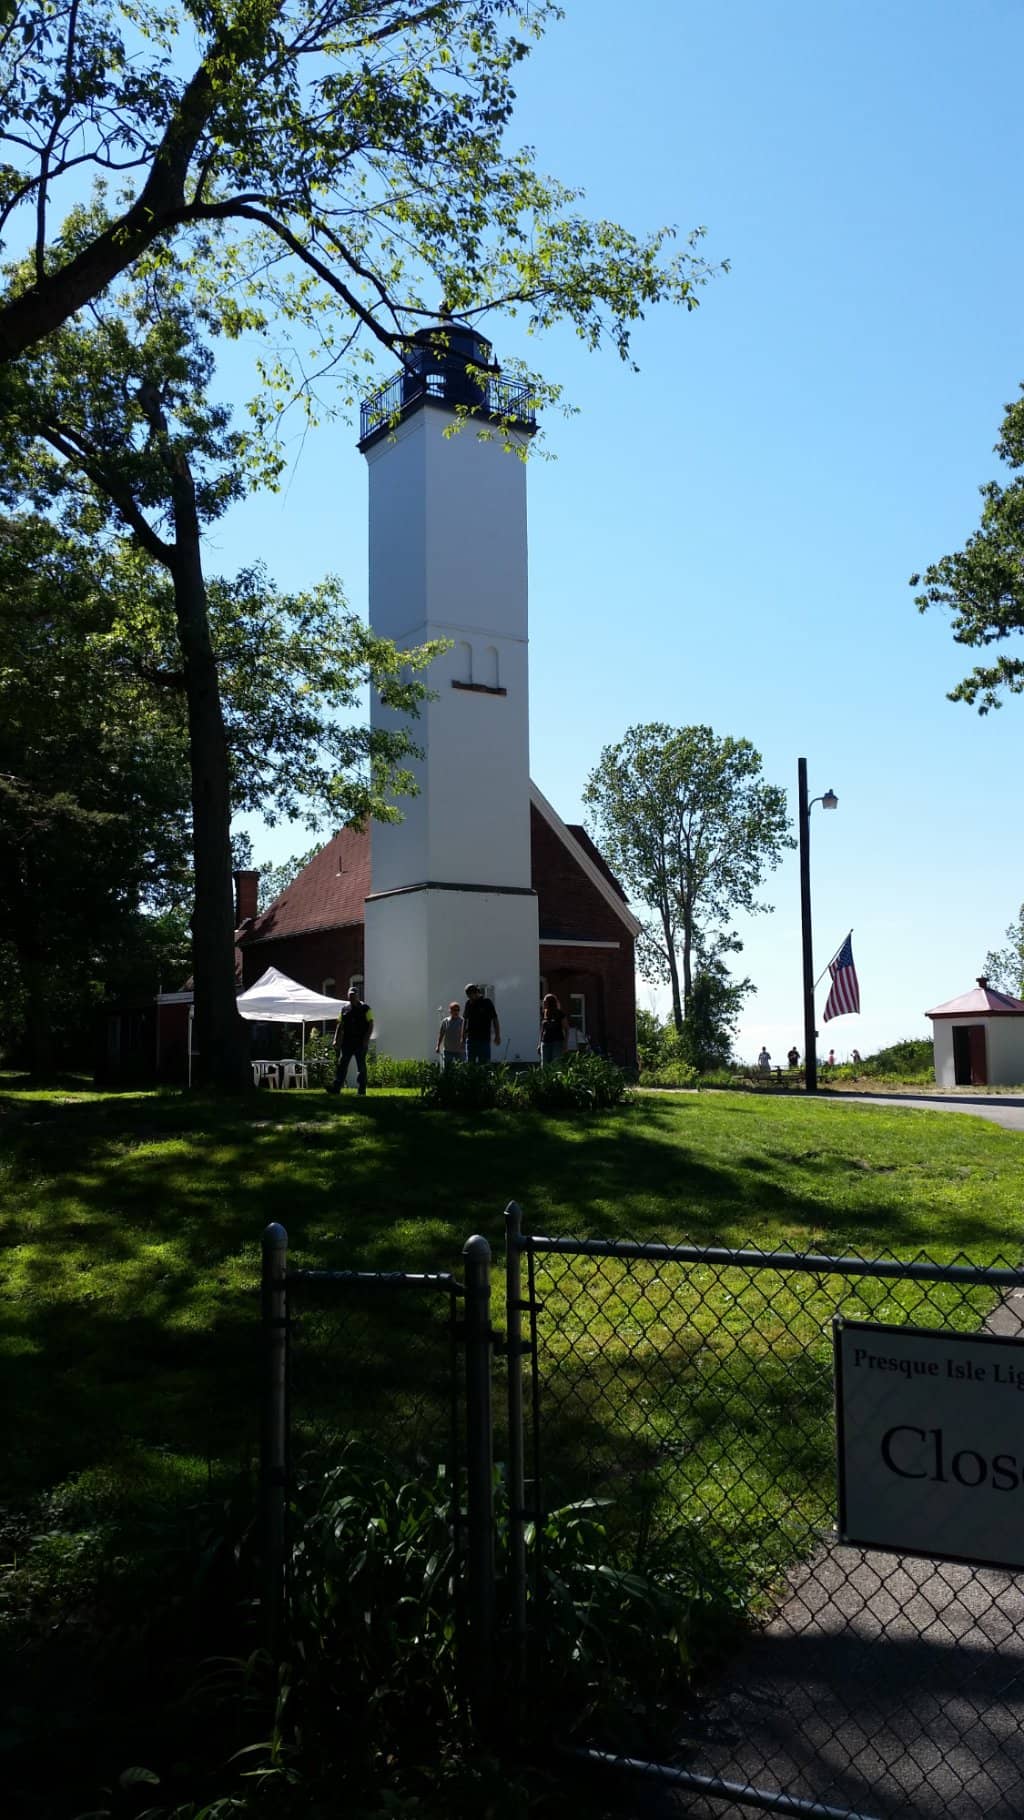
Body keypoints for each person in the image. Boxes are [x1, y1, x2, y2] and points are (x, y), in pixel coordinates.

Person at [327, 986, 374, 1095]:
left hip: (360, 1042)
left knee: (361, 1066)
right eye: (350, 995)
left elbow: (371, 1024)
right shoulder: (344, 1009)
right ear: (348, 996)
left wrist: (366, 1040)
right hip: (347, 1043)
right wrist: (335, 1040)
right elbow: (340, 1025)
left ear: (358, 995)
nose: (352, 997)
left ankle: (361, 1090)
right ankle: (336, 1088)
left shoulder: (366, 1008)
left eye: (354, 995)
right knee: (342, 1065)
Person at [463, 983, 500, 1064]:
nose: (469, 997)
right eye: (467, 995)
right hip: (471, 1039)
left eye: (469, 995)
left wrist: (497, 1035)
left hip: (484, 1039)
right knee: (470, 1064)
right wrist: (462, 1037)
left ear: (475, 993)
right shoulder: (468, 1004)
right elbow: (465, 1020)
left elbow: (495, 1019)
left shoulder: (487, 1002)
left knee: (484, 1064)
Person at [539, 992, 569, 1066]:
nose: (543, 1003)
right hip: (545, 1042)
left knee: (555, 1065)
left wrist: (565, 1043)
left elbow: (566, 1029)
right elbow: (542, 1030)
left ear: (550, 1002)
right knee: (545, 1065)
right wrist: (539, 1044)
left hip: (557, 1042)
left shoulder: (560, 1014)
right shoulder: (543, 1014)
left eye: (545, 1001)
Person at [435, 1001, 465, 1071]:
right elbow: (441, 1034)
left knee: (461, 1069)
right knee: (448, 1069)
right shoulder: (445, 1021)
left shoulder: (462, 1021)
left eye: (458, 1010)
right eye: (454, 1010)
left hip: (460, 1050)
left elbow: (466, 1034)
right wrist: (438, 1046)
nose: (456, 1012)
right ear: (450, 1011)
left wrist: (464, 1044)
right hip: (448, 1050)